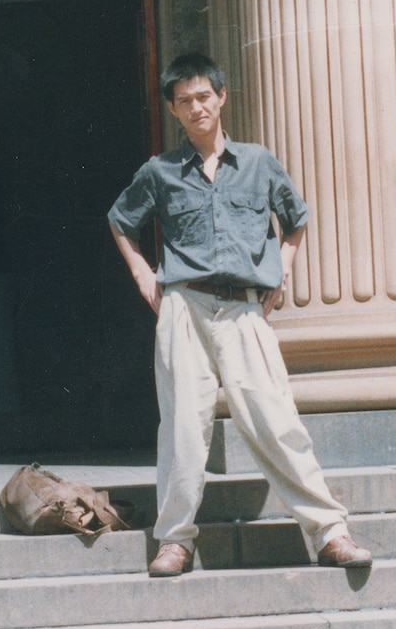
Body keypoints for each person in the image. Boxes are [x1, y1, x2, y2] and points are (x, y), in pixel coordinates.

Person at [108, 54, 371, 577]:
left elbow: (295, 218)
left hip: (245, 309)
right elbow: (120, 220)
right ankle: (175, 540)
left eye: (204, 96)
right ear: (174, 110)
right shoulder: (159, 172)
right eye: (184, 101)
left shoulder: (257, 162)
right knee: (184, 425)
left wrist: (282, 269)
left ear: (221, 97)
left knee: (275, 420)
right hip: (185, 305)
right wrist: (144, 276)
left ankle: (330, 532)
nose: (196, 107)